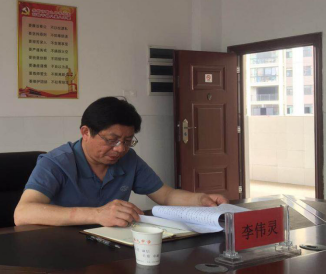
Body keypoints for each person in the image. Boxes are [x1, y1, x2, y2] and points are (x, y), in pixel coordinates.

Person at [14, 97, 228, 227]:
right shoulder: (56, 163)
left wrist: (199, 200)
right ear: (86, 132)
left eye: (127, 141)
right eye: (111, 140)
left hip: (111, 245)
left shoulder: (128, 159)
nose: (120, 149)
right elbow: (23, 213)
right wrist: (97, 214)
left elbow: (166, 195)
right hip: (61, 247)